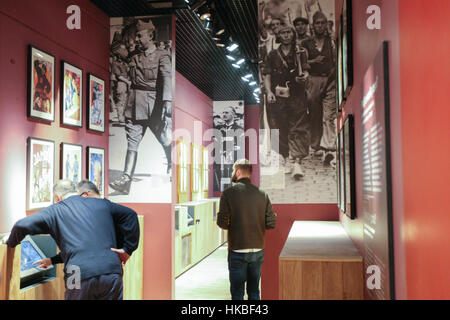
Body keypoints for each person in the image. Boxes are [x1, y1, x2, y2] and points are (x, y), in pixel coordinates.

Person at [6, 179, 140, 300]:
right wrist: (128, 249)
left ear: (57, 197)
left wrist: (10, 244)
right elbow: (131, 215)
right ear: (76, 192)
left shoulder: (54, 210)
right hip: (111, 271)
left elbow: (21, 225)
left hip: (76, 272)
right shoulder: (101, 204)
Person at [109, 19, 172, 195]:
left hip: (154, 105)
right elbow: (117, 51)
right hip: (135, 103)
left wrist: (167, 101)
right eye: (135, 35)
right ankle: (126, 180)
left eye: (139, 35)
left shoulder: (162, 55)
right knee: (133, 141)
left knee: (164, 139)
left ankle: (171, 164)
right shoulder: (134, 56)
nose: (136, 39)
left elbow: (167, 78)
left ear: (150, 35)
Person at [217, 159, 277, 300]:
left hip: (237, 250)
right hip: (257, 250)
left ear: (238, 172)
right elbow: (271, 224)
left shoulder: (228, 194)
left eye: (233, 171)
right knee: (254, 291)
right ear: (249, 173)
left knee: (237, 293)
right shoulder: (262, 194)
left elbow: (222, 223)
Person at [263, 23, 310, 178]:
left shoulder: (300, 52)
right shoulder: (272, 55)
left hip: (297, 94)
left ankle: (296, 161)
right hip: (279, 96)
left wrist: (303, 78)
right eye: (283, 33)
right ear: (279, 35)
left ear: (293, 34)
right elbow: (267, 75)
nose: (286, 35)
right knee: (280, 126)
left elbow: (306, 71)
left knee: (298, 126)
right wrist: (269, 91)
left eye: (289, 32)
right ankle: (283, 157)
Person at [302, 11, 337, 165]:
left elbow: (337, 61)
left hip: (330, 79)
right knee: (315, 114)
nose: (320, 26)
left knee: (328, 115)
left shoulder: (332, 41)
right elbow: (302, 64)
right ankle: (316, 146)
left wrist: (332, 77)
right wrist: (314, 61)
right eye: (317, 23)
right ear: (313, 25)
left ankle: (329, 147)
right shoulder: (306, 43)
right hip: (313, 80)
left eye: (323, 22)